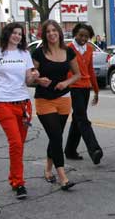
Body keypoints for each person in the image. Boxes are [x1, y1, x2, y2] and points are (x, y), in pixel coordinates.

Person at [0, 22, 38, 200]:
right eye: (14, 33)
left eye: (20, 34)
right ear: (7, 34)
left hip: (23, 104)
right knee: (15, 143)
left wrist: (35, 76)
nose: (17, 36)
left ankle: (14, 177)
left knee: (19, 144)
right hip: (4, 102)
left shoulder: (24, 54)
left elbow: (28, 79)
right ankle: (18, 183)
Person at [31, 20, 81, 191]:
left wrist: (66, 83)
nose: (51, 33)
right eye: (48, 31)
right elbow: (29, 79)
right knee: (56, 136)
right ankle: (63, 177)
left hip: (64, 99)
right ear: (44, 35)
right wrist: (38, 79)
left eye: (54, 30)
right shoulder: (38, 53)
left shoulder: (68, 52)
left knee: (56, 136)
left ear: (59, 32)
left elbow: (77, 75)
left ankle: (48, 169)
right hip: (44, 100)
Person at [64, 23, 103, 164]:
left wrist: (96, 90)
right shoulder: (68, 49)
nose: (83, 38)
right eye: (81, 35)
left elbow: (90, 70)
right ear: (75, 34)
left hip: (85, 87)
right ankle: (94, 149)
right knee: (82, 118)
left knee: (77, 119)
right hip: (73, 86)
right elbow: (63, 69)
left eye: (86, 36)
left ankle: (70, 150)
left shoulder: (90, 49)